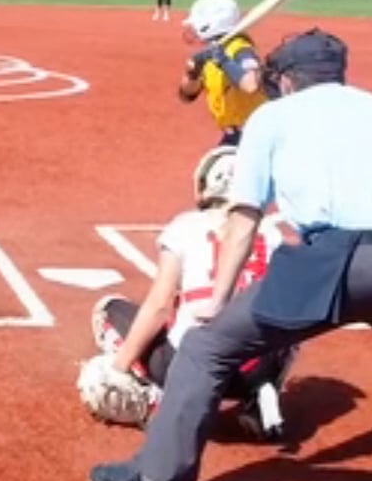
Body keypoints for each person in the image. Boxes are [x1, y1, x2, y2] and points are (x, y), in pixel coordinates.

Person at [88, 28, 372, 481]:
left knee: (207, 347)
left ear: (285, 80)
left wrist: (219, 298)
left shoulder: (272, 116)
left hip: (338, 259)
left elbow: (245, 217)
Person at [77, 145, 297, 441]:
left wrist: (119, 367)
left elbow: (159, 306)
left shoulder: (186, 226)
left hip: (194, 365)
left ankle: (154, 399)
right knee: (286, 318)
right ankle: (260, 391)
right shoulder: (272, 234)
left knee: (109, 310)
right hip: (255, 366)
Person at [177, 0, 265, 146]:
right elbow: (187, 95)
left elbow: (252, 84)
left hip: (255, 135)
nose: (193, 29)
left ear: (208, 25)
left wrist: (223, 61)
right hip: (234, 135)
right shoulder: (210, 53)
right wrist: (193, 72)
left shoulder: (240, 49)